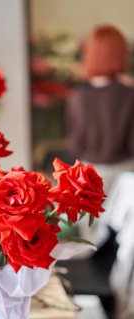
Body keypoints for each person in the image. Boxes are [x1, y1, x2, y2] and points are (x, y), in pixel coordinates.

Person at [66, 25, 134, 194]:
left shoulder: (77, 95)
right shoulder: (129, 93)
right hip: (125, 176)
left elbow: (75, 143)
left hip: (87, 177)